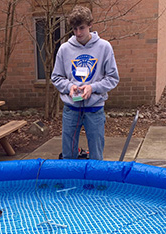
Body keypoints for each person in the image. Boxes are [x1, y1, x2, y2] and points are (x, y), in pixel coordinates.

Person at [51, 6, 119, 160]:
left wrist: (92, 87)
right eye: (74, 29)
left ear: (90, 25)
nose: (78, 33)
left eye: (81, 28)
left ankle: (95, 184)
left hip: (94, 110)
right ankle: (71, 182)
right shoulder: (64, 49)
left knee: (96, 155)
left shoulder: (104, 47)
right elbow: (56, 77)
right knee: (68, 155)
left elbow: (113, 78)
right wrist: (69, 86)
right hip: (71, 109)